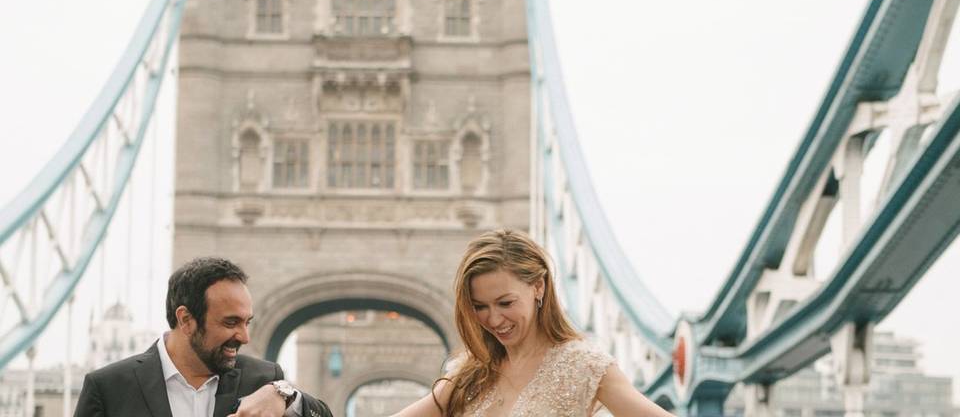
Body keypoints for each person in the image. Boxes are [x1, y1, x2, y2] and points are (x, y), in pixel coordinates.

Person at [390, 229, 677, 417]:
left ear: (538, 287)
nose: (493, 319)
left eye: (505, 303)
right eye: (480, 307)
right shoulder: (469, 373)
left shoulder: (585, 366)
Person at [74, 257, 332, 417]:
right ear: (186, 319)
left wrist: (286, 396)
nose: (244, 337)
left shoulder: (264, 381)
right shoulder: (109, 389)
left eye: (247, 322)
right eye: (231, 322)